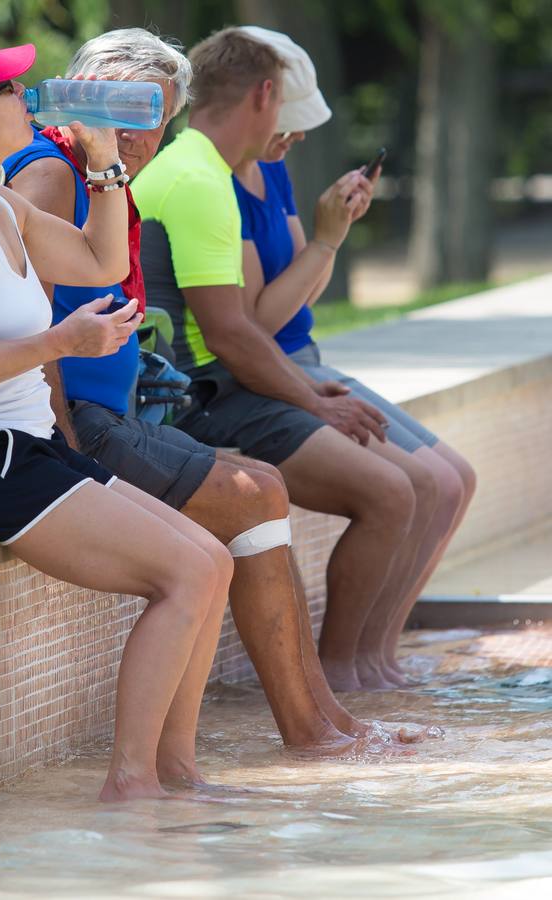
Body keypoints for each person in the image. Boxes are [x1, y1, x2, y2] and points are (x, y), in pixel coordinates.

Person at [3, 28, 406, 753]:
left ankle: (327, 720)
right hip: (68, 424)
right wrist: (60, 444)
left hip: (104, 412)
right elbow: (13, 315)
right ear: (79, 99)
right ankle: (313, 729)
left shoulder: (97, 175)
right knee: (256, 495)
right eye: (119, 112)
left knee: (261, 484)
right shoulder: (53, 172)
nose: (134, 136)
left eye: (150, 116)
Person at [0, 39, 235, 802]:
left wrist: (105, 158)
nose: (29, 94)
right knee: (182, 573)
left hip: (23, 447)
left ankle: (177, 772)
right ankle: (132, 783)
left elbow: (99, 263)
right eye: (8, 88)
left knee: (211, 559)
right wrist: (61, 342)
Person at [132, 27, 434, 693]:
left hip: (225, 382)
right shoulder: (196, 180)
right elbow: (233, 335)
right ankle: (335, 681)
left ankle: (355, 676)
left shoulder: (209, 169)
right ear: (265, 95)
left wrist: (309, 391)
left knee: (406, 488)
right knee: (390, 493)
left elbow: (244, 330)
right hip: (203, 399)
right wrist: (313, 396)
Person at [231, 27, 476, 683]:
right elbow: (256, 323)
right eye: (290, 122)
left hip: (304, 356)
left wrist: (330, 239)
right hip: (275, 371)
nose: (298, 137)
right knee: (415, 486)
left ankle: (377, 657)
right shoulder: (217, 186)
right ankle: (343, 667)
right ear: (258, 103)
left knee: (457, 482)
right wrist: (326, 242)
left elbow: (301, 292)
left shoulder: (271, 170)